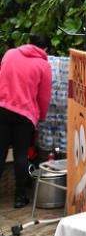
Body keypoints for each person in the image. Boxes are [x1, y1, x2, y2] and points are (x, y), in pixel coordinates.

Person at [0, 34, 52, 208]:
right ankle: (20, 197)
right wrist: (41, 116)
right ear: (45, 49)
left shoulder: (10, 54)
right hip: (25, 115)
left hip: (2, 108)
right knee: (21, 155)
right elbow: (44, 97)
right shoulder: (43, 65)